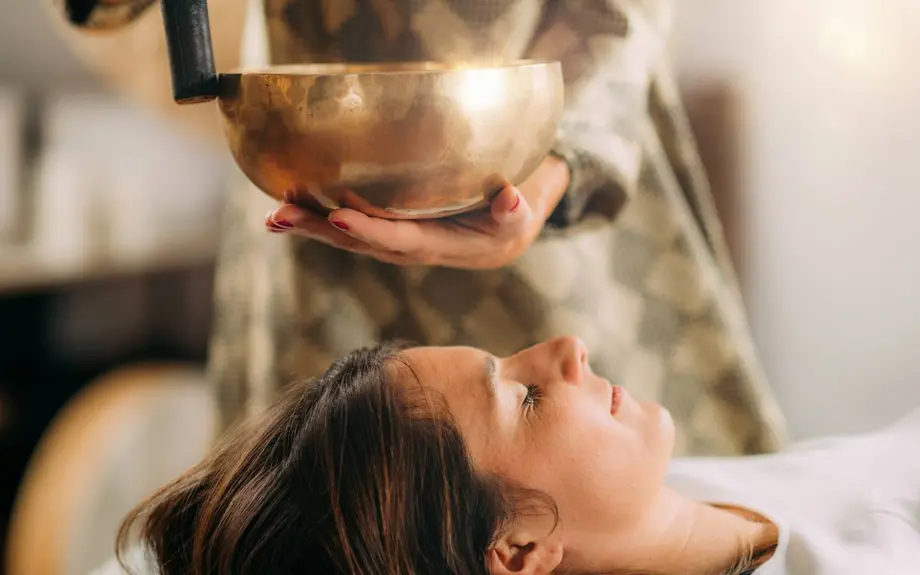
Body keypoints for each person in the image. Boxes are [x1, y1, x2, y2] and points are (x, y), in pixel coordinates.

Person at [56, 0, 786, 455]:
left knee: (608, 500)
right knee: (325, 524)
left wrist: (551, 174)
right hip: (303, 195)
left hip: (542, 183)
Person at [105, 337, 920, 575]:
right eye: (526, 397)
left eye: (510, 360)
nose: (568, 346)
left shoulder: (655, 505)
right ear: (521, 550)